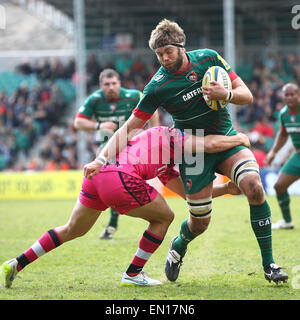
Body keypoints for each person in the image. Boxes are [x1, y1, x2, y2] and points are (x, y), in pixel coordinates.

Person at [83, 19, 288, 284]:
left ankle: (269, 264)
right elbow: (130, 127)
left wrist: (224, 94)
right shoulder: (157, 86)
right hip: (192, 151)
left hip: (226, 138)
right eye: (158, 55)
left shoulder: (209, 59)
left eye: (168, 52)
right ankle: (179, 244)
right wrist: (101, 158)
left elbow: (246, 95)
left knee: (254, 186)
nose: (164, 59)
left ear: (181, 46)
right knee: (200, 222)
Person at [0, 126, 248, 288]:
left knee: (73, 229)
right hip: (120, 176)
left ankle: (16, 263)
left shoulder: (162, 160)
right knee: (165, 217)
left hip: (98, 175)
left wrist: (225, 190)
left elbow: (189, 195)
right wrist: (239, 138)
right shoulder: (172, 135)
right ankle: (133, 273)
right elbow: (210, 144)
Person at [74, 68, 159, 240]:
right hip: (108, 150)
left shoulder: (134, 95)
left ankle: (115, 224)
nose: (111, 87)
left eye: (114, 83)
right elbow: (78, 122)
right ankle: (112, 224)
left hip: (134, 146)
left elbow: (153, 108)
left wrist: (154, 131)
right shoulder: (95, 99)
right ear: (101, 86)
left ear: (120, 83)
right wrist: (98, 126)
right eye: (107, 84)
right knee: (114, 182)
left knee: (120, 181)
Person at [265, 83, 300, 230]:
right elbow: (283, 134)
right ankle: (287, 221)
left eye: (293, 94)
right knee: (279, 186)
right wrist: (273, 152)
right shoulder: (284, 114)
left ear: (298, 95)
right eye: (287, 95)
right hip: (297, 156)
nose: (290, 97)